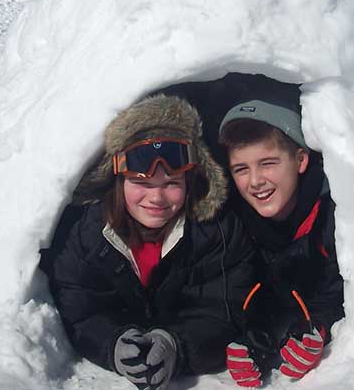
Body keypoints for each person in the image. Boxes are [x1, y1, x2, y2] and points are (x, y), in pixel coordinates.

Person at [41, 94, 255, 390]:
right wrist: (112, 343)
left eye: (171, 184)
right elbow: (78, 309)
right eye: (141, 182)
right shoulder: (87, 234)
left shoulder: (217, 232)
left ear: (190, 183)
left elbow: (225, 311)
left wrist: (176, 345)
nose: (156, 198)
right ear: (119, 182)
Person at [218, 97, 345, 387]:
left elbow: (345, 291)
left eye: (268, 163)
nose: (255, 181)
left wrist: (316, 327)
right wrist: (253, 335)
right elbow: (234, 288)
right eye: (241, 169)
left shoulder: (335, 216)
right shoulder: (234, 222)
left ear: (301, 160)